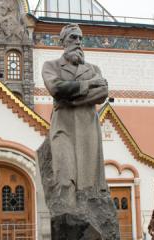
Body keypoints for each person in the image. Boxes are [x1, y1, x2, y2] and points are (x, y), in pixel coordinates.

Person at [41, 23, 109, 210]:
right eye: (73, 37)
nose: (78, 41)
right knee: (64, 176)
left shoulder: (94, 68)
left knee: (88, 184)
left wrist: (68, 101)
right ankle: (68, 220)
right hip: (63, 128)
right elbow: (56, 88)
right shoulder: (51, 66)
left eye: (80, 38)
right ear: (62, 41)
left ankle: (86, 219)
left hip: (88, 130)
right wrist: (89, 85)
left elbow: (102, 93)